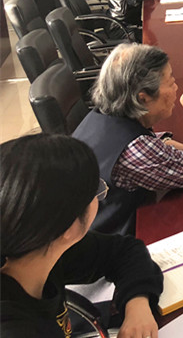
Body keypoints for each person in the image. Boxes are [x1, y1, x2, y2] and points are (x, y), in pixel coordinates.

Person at [0, 133, 163, 338]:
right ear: (69, 226)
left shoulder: (41, 245)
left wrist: (137, 306)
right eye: (95, 190)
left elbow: (126, 251)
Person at [72, 43, 183, 235]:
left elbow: (130, 143)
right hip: (114, 241)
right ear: (143, 98)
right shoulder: (134, 150)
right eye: (170, 82)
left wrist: (161, 143)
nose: (176, 87)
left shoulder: (100, 115)